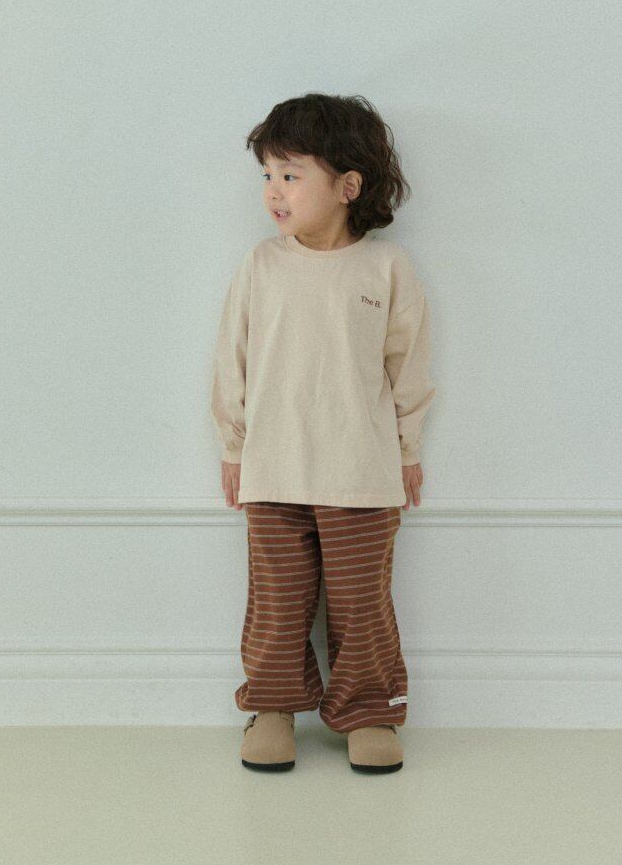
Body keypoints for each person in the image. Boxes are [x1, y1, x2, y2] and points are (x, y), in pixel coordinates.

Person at [210, 92, 436, 773]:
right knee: (276, 602)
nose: (273, 191)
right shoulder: (261, 265)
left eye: (290, 175)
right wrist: (233, 446)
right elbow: (231, 360)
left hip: (361, 471)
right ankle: (271, 707)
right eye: (267, 175)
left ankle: (369, 711)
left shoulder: (386, 268)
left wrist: (407, 450)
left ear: (348, 186)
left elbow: (409, 368)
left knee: (361, 603)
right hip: (273, 466)